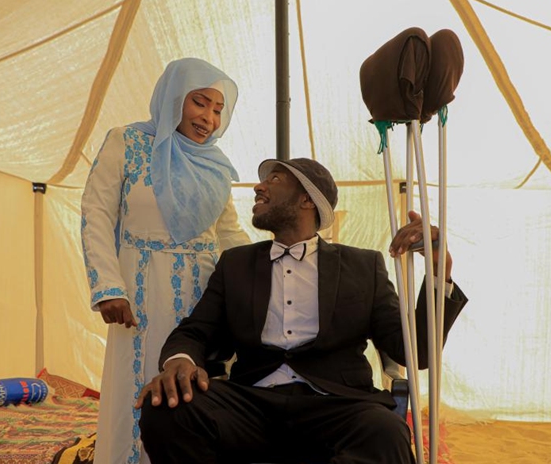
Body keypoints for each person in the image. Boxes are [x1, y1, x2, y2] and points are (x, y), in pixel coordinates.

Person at [135, 157, 468, 464]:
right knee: (166, 409)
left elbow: (415, 350)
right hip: (251, 404)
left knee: (386, 434)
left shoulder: (363, 266)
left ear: (307, 200)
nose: (258, 186)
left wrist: (440, 271)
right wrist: (179, 360)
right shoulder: (236, 264)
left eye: (275, 179)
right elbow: (197, 330)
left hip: (337, 407)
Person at [81, 58, 251, 464]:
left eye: (217, 109)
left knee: (192, 393)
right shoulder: (125, 141)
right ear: (175, 97)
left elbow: (229, 235)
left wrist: (272, 272)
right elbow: (96, 213)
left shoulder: (216, 167)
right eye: (199, 102)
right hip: (137, 300)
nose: (209, 117)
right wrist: (108, 286)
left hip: (201, 303)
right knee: (134, 391)